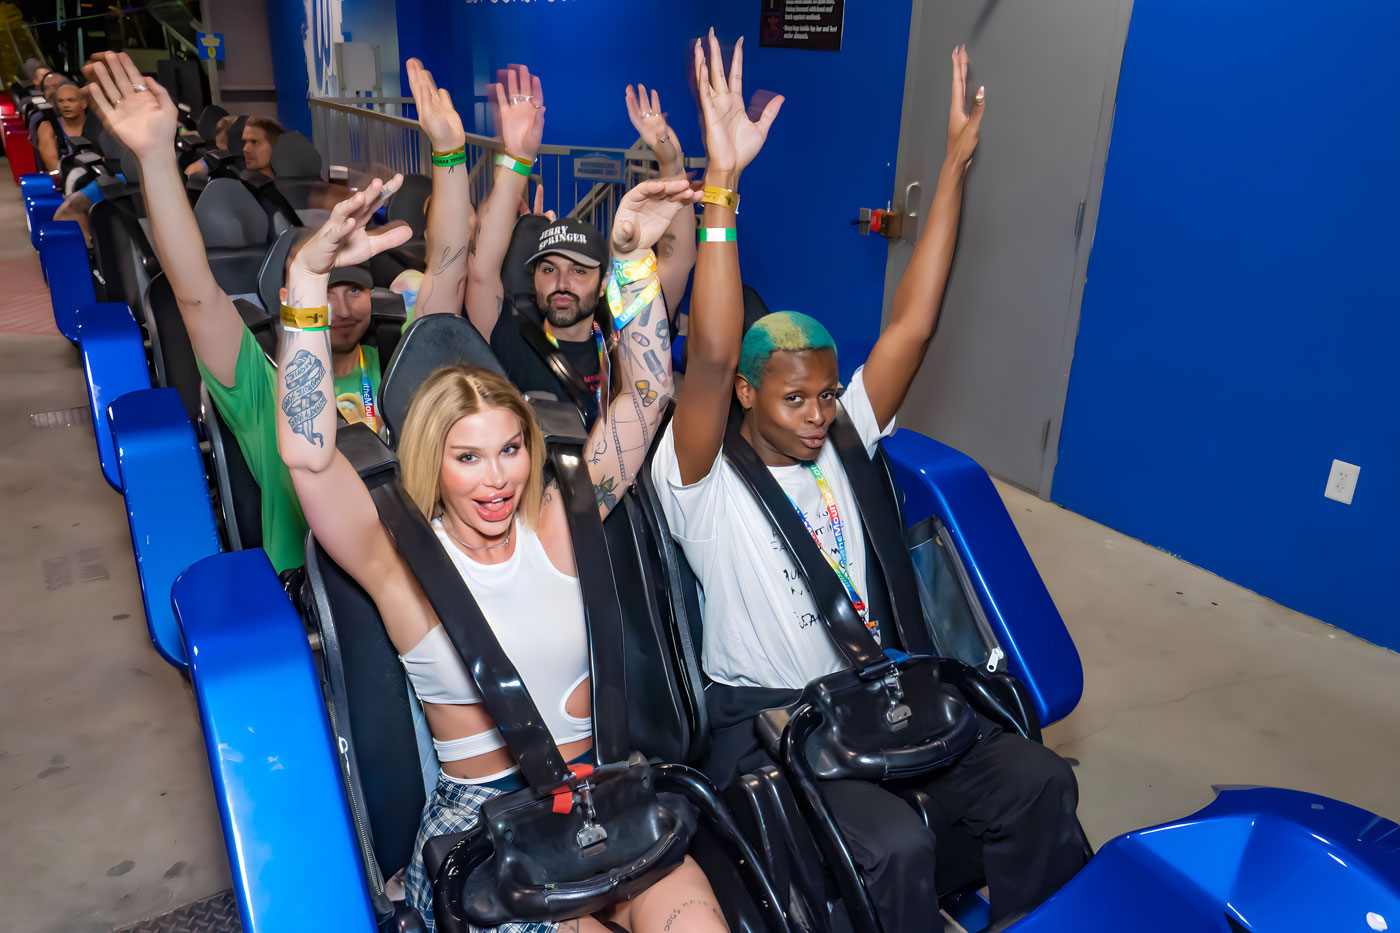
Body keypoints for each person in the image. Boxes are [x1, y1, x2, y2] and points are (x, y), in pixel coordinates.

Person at [652, 35, 1086, 931]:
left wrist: (956, 165)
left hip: (882, 700)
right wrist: (722, 189)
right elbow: (713, 352)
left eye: (824, 392)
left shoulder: (843, 437)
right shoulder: (699, 476)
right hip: (776, 724)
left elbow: (914, 325)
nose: (817, 413)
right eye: (794, 396)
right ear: (745, 393)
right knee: (894, 845)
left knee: (1040, 779)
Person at [274, 166, 716, 932]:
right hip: (486, 835)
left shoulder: (562, 518)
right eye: (468, 456)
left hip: (600, 799)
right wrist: (307, 285)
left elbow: (646, 394)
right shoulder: (399, 564)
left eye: (511, 449)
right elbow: (310, 458)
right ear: (430, 460)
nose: (497, 478)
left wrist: (636, 263)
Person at [83, 51, 408, 574]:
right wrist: (157, 158)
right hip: (319, 606)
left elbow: (455, 287)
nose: (343, 307)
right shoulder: (265, 386)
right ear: (291, 301)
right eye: (323, 290)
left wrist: (453, 157)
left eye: (355, 289)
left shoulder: (396, 367)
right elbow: (195, 294)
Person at [410, 61, 695, 428]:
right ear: (533, 279)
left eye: (578, 270)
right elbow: (479, 272)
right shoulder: (511, 335)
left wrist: (670, 160)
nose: (563, 282)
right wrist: (518, 158)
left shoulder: (621, 330)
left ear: (603, 279)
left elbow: (679, 261)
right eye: (549, 268)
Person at [35, 78, 103, 175]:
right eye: (61, 101)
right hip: (65, 182)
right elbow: (51, 163)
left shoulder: (98, 124)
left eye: (71, 100)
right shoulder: (48, 127)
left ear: (84, 103)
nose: (65, 105)